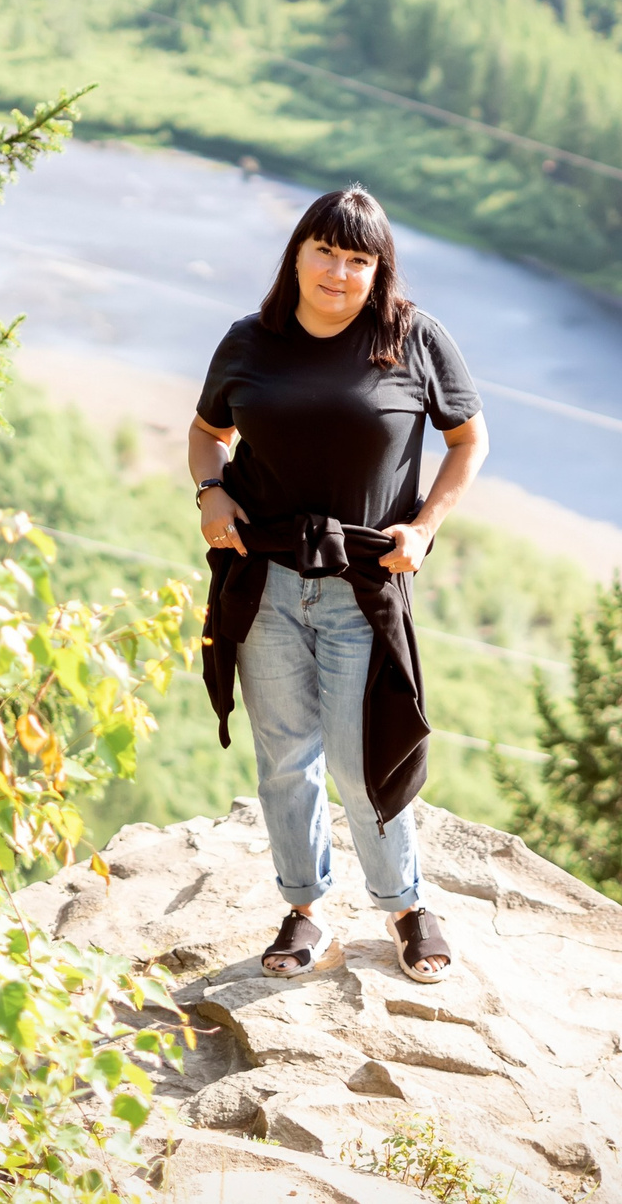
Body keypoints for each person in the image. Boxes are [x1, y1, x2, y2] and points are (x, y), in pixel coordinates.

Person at [191, 185, 488, 984]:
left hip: (363, 584)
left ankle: (404, 903)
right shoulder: (249, 342)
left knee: (365, 763)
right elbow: (207, 433)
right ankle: (304, 910)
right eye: (325, 251)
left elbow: (469, 441)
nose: (339, 271)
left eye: (359, 259)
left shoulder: (414, 339)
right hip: (265, 581)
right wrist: (210, 491)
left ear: (379, 269)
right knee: (285, 758)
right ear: (296, 253)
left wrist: (424, 528)